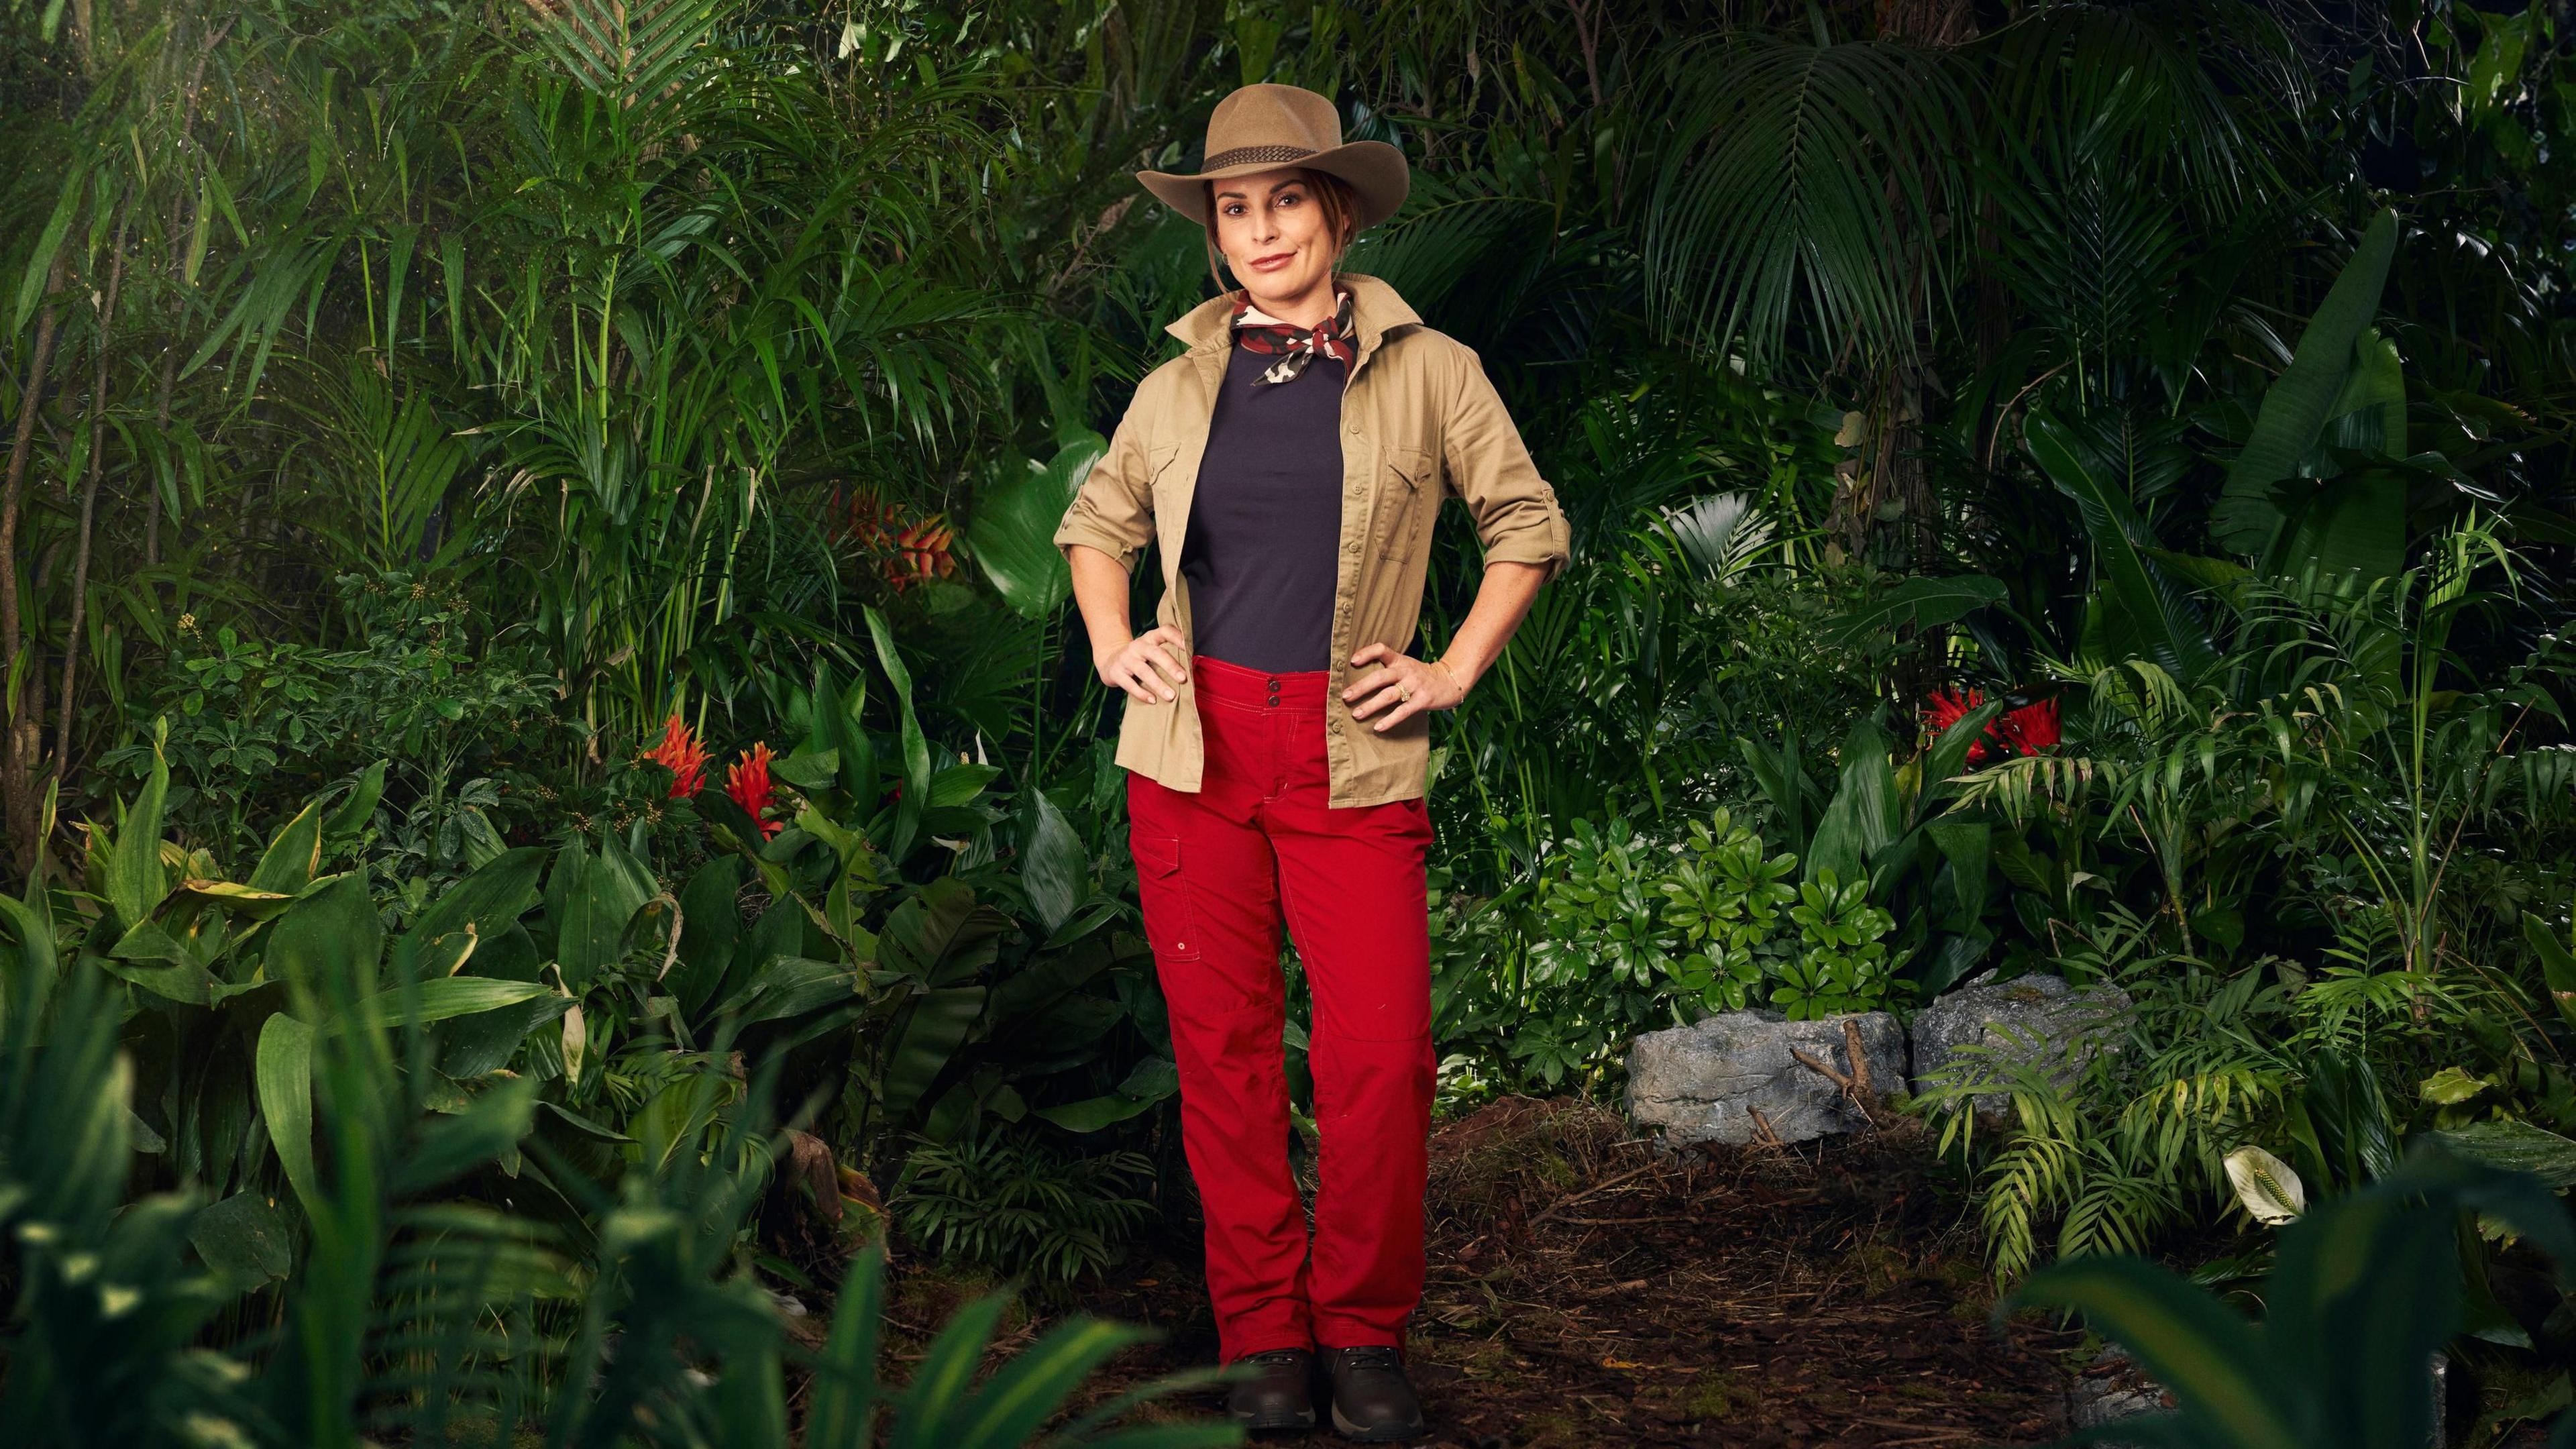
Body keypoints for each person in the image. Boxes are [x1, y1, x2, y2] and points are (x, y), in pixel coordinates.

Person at [1053, 81, 1568, 1442]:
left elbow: (1526, 521)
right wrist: (1118, 646)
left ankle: (1361, 1329)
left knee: (1380, 1056)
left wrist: (1451, 671)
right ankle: (1268, 1334)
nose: (1262, 228)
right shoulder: (1176, 388)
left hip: (1354, 751)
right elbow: (1094, 523)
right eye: (1236, 206)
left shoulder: (1433, 370)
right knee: (1223, 1056)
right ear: (1214, 230)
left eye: (1286, 200)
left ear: (1337, 212)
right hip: (1192, 753)